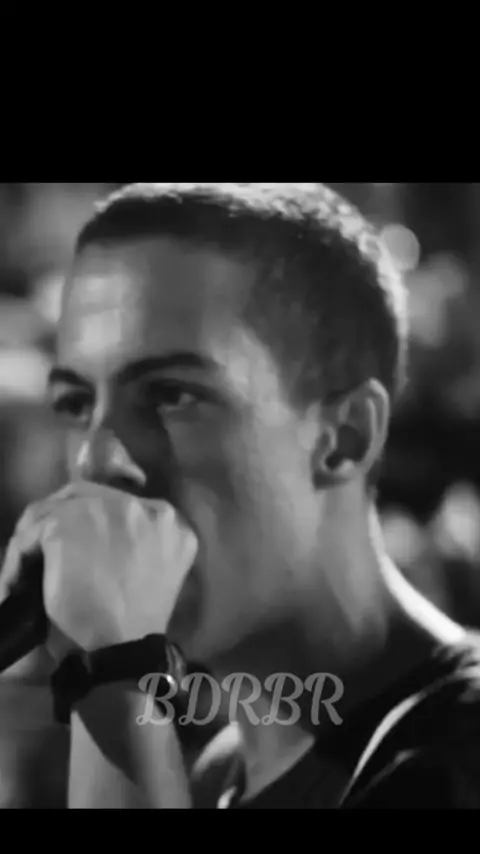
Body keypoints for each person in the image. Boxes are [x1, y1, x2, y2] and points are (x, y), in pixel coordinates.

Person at [1, 181, 480, 810]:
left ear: (345, 437)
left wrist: (113, 670)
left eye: (171, 394)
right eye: (76, 403)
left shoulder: (458, 755)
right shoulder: (214, 775)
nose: (95, 458)